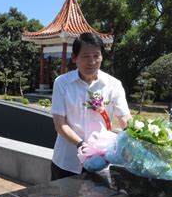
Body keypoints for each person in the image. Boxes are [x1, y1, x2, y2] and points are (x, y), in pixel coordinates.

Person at [51, 33, 131, 181]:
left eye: (96, 56)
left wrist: (134, 136)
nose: (92, 61)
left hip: (101, 161)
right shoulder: (62, 83)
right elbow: (59, 124)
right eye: (86, 56)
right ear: (74, 58)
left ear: (102, 57)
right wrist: (81, 145)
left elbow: (124, 117)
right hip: (67, 161)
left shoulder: (113, 84)